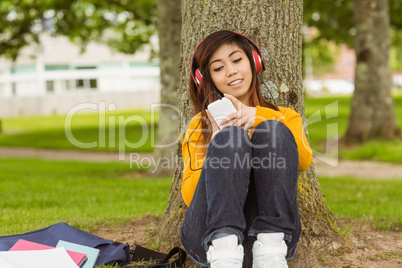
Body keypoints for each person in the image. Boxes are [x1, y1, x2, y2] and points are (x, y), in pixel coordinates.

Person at [180, 30, 313, 268]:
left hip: (270, 242)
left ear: (254, 62)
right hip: (209, 239)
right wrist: (216, 147)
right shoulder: (199, 126)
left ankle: (270, 251)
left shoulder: (283, 117)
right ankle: (223, 248)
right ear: (206, 79)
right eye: (218, 68)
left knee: (273, 130)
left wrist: (261, 117)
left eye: (237, 60)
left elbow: (303, 162)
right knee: (230, 137)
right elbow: (191, 197)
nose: (231, 71)